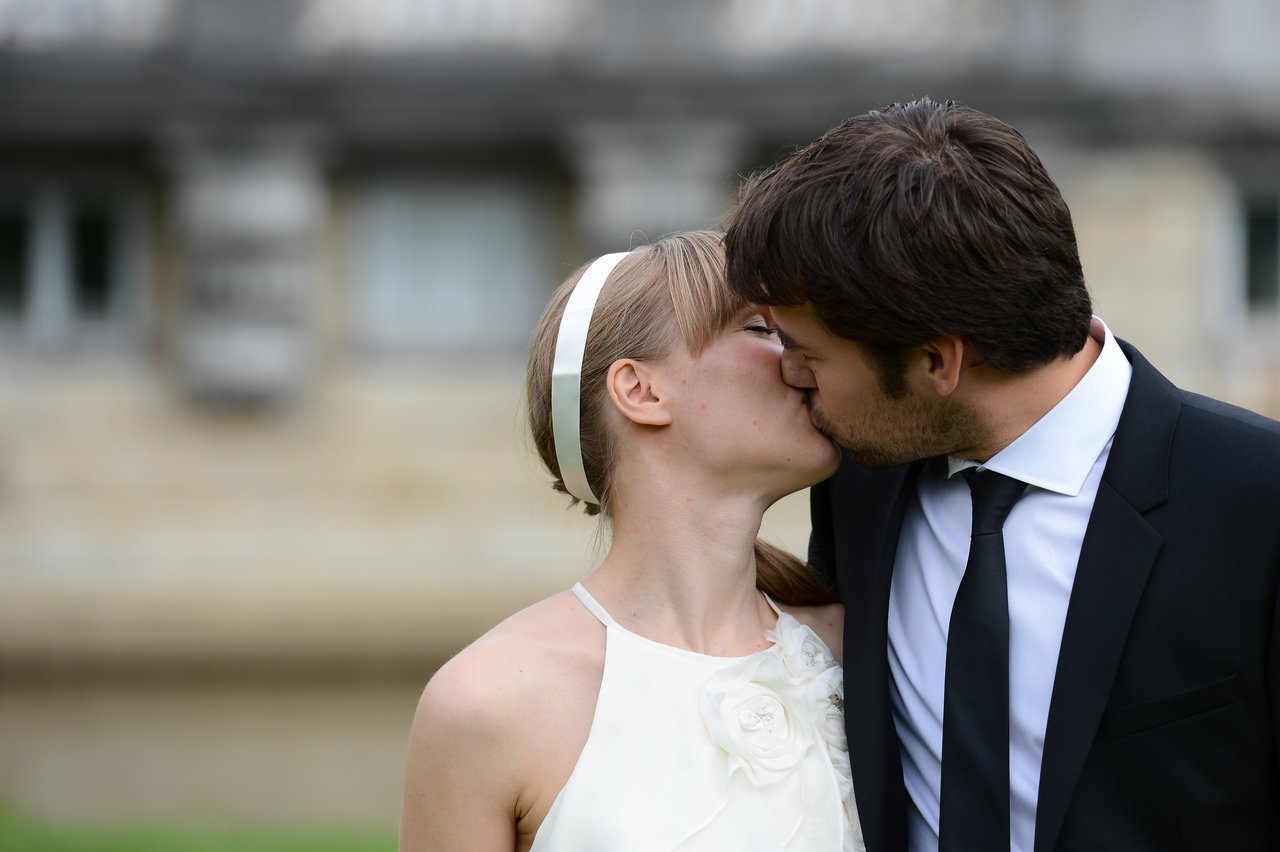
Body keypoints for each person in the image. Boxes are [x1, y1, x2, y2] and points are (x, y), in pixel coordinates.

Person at [723, 97, 1280, 852]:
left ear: (936, 362)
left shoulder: (1259, 500)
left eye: (807, 353)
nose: (788, 375)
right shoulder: (860, 480)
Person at [399, 230, 865, 851]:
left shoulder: (866, 652)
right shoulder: (487, 702)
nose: (804, 360)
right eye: (762, 330)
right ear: (640, 390)